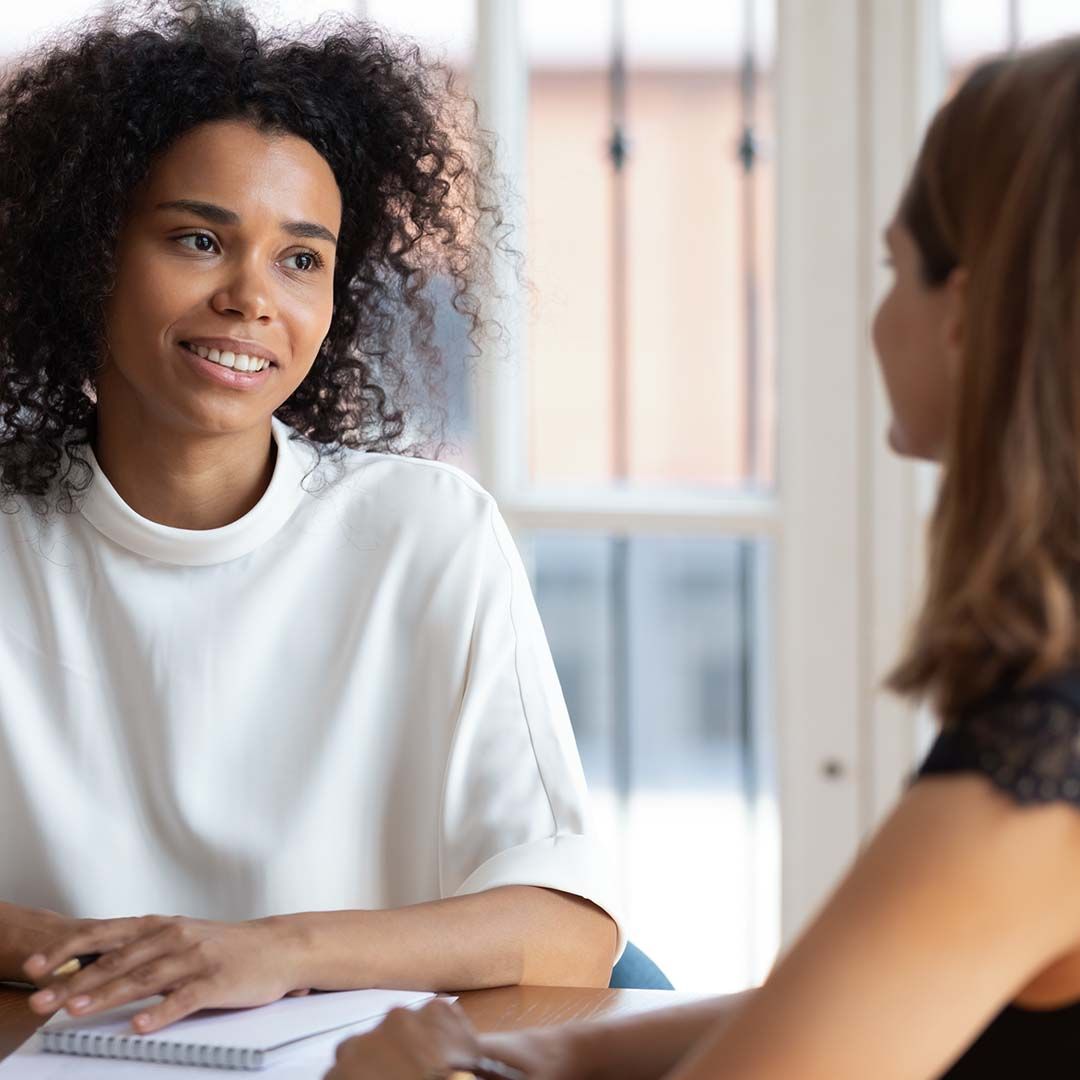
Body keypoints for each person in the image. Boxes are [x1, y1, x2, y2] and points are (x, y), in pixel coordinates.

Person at [323, 34, 1080, 1080]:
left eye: (894, 268)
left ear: (973, 314)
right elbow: (854, 992)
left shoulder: (1037, 773)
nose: (875, 316)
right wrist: (546, 1056)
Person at [0, 0, 621, 1036]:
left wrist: (271, 951)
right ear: (87, 254)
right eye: (199, 239)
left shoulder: (426, 534)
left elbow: (569, 932)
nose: (253, 298)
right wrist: (35, 941)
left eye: (301, 259)